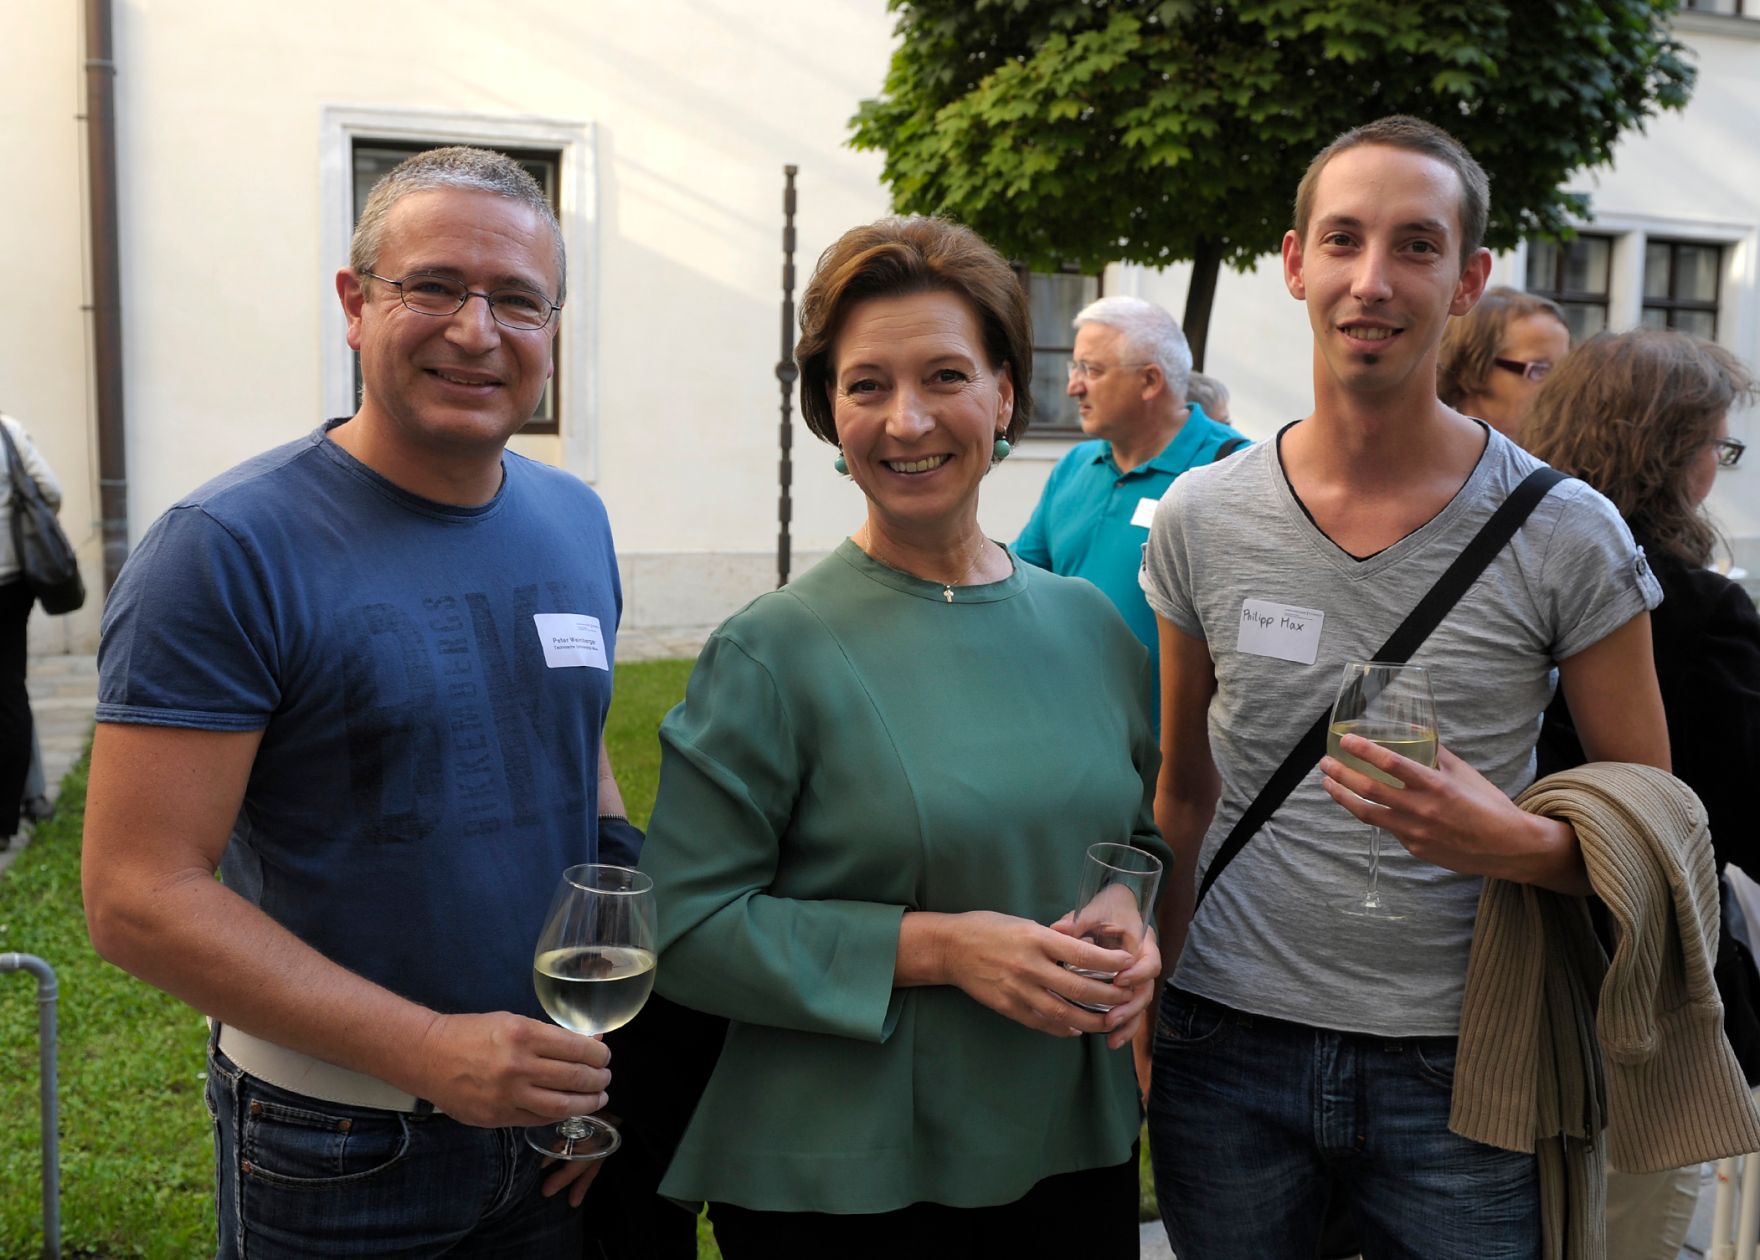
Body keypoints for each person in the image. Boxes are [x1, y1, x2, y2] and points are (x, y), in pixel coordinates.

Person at [82, 146, 633, 1258]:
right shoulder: (228, 550)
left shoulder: (577, 518)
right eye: (432, 286)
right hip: (334, 1144)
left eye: (518, 300)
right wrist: (430, 1048)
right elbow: (136, 894)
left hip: (548, 1129)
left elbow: (574, 752)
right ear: (354, 302)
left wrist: (591, 1049)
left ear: (552, 329)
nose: (477, 331)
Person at [1139, 115, 1669, 1259]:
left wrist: (1518, 846)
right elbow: (1182, 789)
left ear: (1467, 279)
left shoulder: (1565, 533)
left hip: (1463, 1064)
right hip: (1224, 1045)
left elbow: (1652, 823)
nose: (1370, 281)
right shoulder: (1201, 517)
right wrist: (1157, 996)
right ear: (1292, 262)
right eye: (1341, 241)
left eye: (1415, 246)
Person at [637, 216, 1169, 1259]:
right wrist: (938, 948)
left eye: (943, 375)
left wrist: (1127, 900)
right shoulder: (769, 652)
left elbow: (1133, 833)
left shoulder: (1088, 627)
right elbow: (685, 931)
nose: (904, 418)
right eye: (865, 385)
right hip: (844, 1183)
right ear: (829, 416)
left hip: (1067, 1145)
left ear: (1005, 395)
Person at [1525, 328, 1760, 1260]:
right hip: (1641, 996)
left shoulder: (1507, 572)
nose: (1719, 466)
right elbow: (1744, 810)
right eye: (1716, 445)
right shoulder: (1695, 610)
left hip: (1484, 979)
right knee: (1624, 1231)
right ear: (1670, 455)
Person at [1015, 297, 1245, 722]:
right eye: (1075, 367)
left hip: (1187, 764)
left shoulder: (1235, 471)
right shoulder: (1074, 467)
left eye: (1092, 370)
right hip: (1081, 746)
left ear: (1150, 381)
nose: (1073, 386)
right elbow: (1023, 583)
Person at [0, 410, 62, 851]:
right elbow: (50, 493)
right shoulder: (7, 430)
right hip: (10, 582)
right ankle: (7, 820)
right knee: (9, 694)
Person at [1436, 284, 1572, 441]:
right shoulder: (1433, 454)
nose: (1558, 385)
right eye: (1539, 370)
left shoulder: (1564, 453)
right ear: (1474, 369)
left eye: (1563, 369)